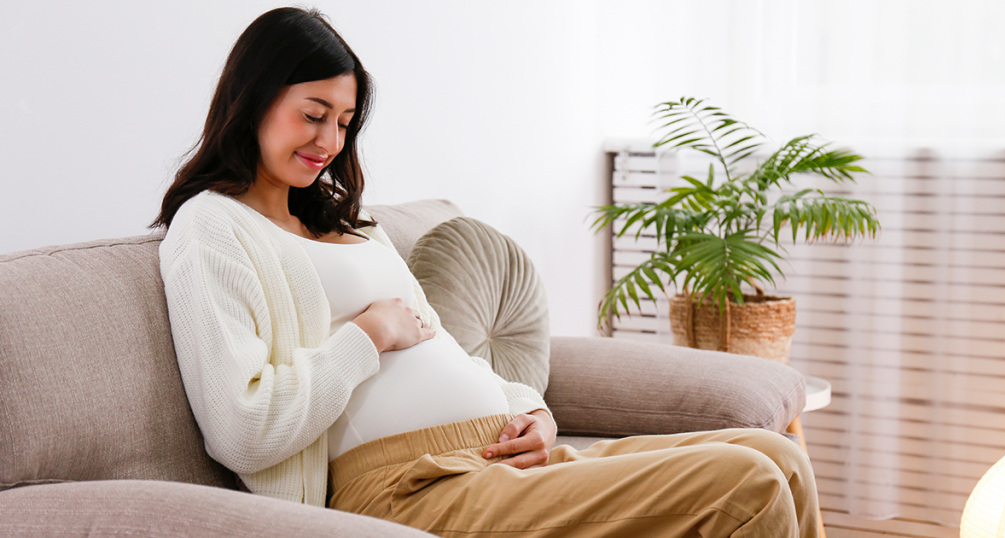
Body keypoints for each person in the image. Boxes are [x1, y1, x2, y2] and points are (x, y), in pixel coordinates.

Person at [155, 7, 820, 537]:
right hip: (410, 487)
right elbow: (240, 428)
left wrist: (528, 408)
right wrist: (367, 336)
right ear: (253, 99)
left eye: (345, 123)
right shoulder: (212, 229)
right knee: (748, 485)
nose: (329, 143)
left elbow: (442, 347)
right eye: (313, 114)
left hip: (499, 455)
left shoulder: (351, 222)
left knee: (782, 459)